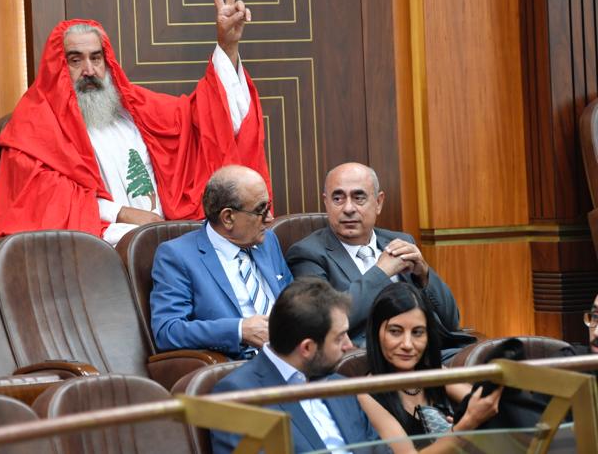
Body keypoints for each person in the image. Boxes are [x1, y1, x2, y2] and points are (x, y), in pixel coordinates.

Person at [0, 0, 270, 245]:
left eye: (96, 58)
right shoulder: (34, 126)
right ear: (57, 67)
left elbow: (208, 120)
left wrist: (227, 46)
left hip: (168, 236)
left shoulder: (135, 108)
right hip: (104, 241)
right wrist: (120, 213)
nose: (89, 70)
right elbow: (44, 201)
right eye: (75, 60)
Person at [286, 162, 461, 347]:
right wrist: (381, 273)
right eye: (338, 198)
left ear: (378, 202)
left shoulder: (401, 242)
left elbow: (451, 321)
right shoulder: (308, 254)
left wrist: (424, 276)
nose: (348, 208)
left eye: (359, 198)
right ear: (326, 203)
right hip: (368, 356)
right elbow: (321, 323)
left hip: (430, 349)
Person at [209, 277, 380, 454]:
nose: (349, 345)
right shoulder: (239, 396)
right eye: (339, 338)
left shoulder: (339, 384)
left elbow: (378, 448)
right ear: (307, 348)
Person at [150, 165, 292, 358]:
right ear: (228, 218)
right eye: (261, 210)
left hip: (294, 357)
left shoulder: (268, 241)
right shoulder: (177, 256)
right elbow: (168, 331)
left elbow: (293, 301)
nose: (270, 218)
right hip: (241, 365)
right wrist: (240, 330)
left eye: (268, 206)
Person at [357, 283, 501, 452]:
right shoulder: (366, 394)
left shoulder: (433, 372)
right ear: (376, 333)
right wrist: (466, 424)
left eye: (417, 332)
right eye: (395, 331)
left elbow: (486, 403)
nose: (407, 344)